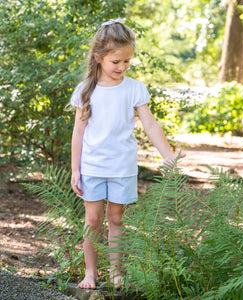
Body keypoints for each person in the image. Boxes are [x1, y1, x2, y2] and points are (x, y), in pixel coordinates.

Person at [70, 19, 185, 290]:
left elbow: (150, 124)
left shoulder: (134, 88)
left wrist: (167, 154)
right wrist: (75, 169)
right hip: (93, 166)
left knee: (116, 219)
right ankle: (90, 272)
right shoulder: (86, 90)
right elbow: (78, 133)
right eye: (116, 62)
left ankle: (116, 272)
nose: (122, 67)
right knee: (93, 221)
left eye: (127, 62)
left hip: (123, 167)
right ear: (98, 58)